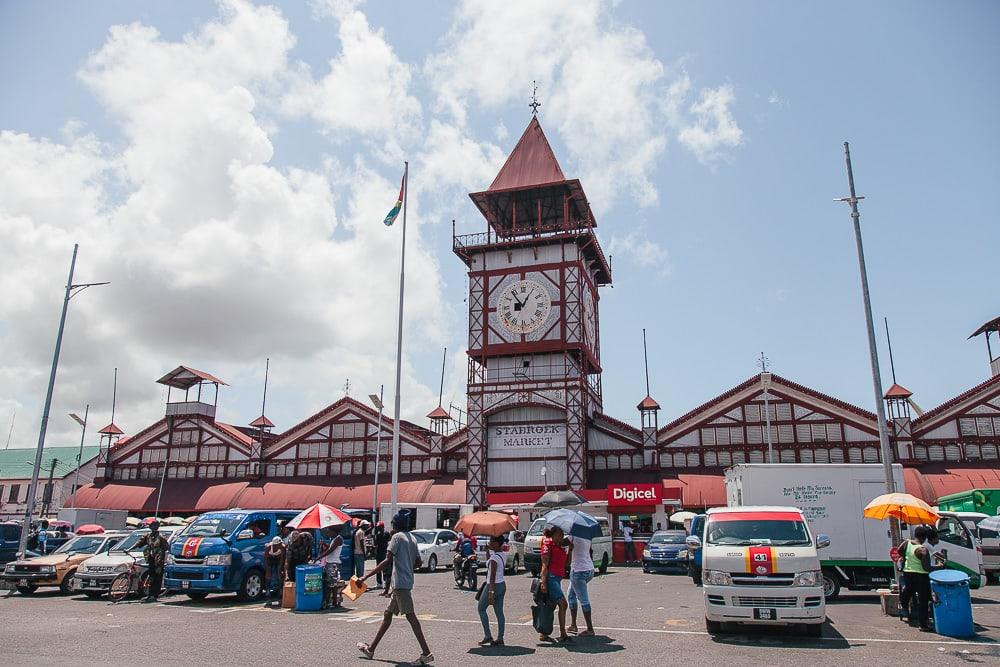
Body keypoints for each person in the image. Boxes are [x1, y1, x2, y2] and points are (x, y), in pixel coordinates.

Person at [357, 511, 434, 665]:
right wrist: (407, 564)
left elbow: (387, 560)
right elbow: (418, 562)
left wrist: (365, 577)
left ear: (395, 525)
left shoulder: (397, 537)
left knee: (411, 617)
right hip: (405, 583)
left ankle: (426, 653)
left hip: (400, 584)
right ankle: (371, 649)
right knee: (387, 615)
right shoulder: (412, 538)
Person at [895, 525, 942, 631]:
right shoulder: (922, 550)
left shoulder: (907, 543)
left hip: (908, 573)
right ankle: (923, 624)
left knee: (908, 591)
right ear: (925, 538)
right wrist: (939, 566)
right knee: (923, 600)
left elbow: (899, 551)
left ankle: (904, 607)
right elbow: (927, 568)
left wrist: (906, 557)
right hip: (921, 576)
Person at [539, 525, 571, 643]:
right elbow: (544, 564)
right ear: (552, 535)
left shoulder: (561, 547)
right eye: (559, 535)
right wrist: (543, 582)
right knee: (563, 604)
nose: (561, 537)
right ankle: (563, 634)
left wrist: (570, 550)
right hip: (551, 579)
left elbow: (567, 563)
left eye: (562, 535)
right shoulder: (548, 545)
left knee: (550, 606)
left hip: (558, 578)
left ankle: (543, 633)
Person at [477, 534, 507, 647]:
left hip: (493, 585)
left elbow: (492, 575)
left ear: (496, 543)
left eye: (491, 541)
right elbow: (491, 562)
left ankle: (488, 635)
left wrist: (490, 592)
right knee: (499, 612)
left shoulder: (495, 558)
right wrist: (487, 552)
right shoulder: (501, 555)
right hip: (502, 584)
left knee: (481, 608)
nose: (489, 543)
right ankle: (500, 637)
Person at [566, 531, 595, 636]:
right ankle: (573, 624)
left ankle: (590, 629)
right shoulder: (587, 534)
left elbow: (562, 543)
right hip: (589, 569)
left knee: (583, 600)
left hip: (578, 570)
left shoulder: (573, 535)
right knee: (571, 595)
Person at [136, 520, 168, 602]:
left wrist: (158, 551)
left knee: (157, 577)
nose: (153, 527)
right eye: (152, 526)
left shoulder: (161, 537)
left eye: (155, 526)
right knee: (151, 576)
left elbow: (166, 547)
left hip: (158, 560)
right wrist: (128, 549)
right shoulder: (148, 536)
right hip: (150, 558)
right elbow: (139, 543)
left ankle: (154, 595)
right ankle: (150, 594)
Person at [317, 527, 345, 608]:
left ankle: (333, 602)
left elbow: (331, 550)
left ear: (334, 531)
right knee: (330, 583)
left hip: (333, 563)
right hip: (330, 562)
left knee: (332, 584)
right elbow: (329, 547)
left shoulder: (338, 539)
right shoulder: (334, 539)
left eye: (329, 532)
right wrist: (324, 544)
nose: (328, 534)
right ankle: (332, 601)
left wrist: (319, 557)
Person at [264, 537, 287, 601]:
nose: (280, 545)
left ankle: (280, 590)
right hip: (270, 559)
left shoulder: (283, 547)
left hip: (278, 559)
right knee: (268, 574)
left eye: (280, 544)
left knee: (279, 573)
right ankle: (267, 590)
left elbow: (282, 559)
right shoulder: (268, 547)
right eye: (278, 544)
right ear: (274, 544)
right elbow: (266, 559)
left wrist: (280, 568)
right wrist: (268, 568)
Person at [373, 522, 390, 588]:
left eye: (379, 527)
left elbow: (376, 544)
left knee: (380, 568)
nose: (378, 528)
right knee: (382, 568)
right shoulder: (386, 534)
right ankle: (382, 582)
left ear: (382, 527)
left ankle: (381, 583)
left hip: (381, 552)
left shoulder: (378, 534)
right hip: (382, 552)